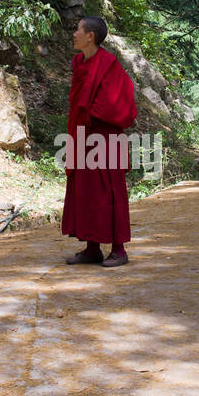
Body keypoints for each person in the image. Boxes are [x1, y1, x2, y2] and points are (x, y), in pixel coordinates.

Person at [61, 16, 137, 267]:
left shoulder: (108, 64)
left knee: (111, 192)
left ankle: (119, 250)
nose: (74, 34)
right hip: (83, 136)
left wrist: (91, 112)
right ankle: (92, 248)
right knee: (86, 192)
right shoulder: (79, 63)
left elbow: (119, 100)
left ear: (90, 36)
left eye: (78, 30)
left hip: (106, 138)